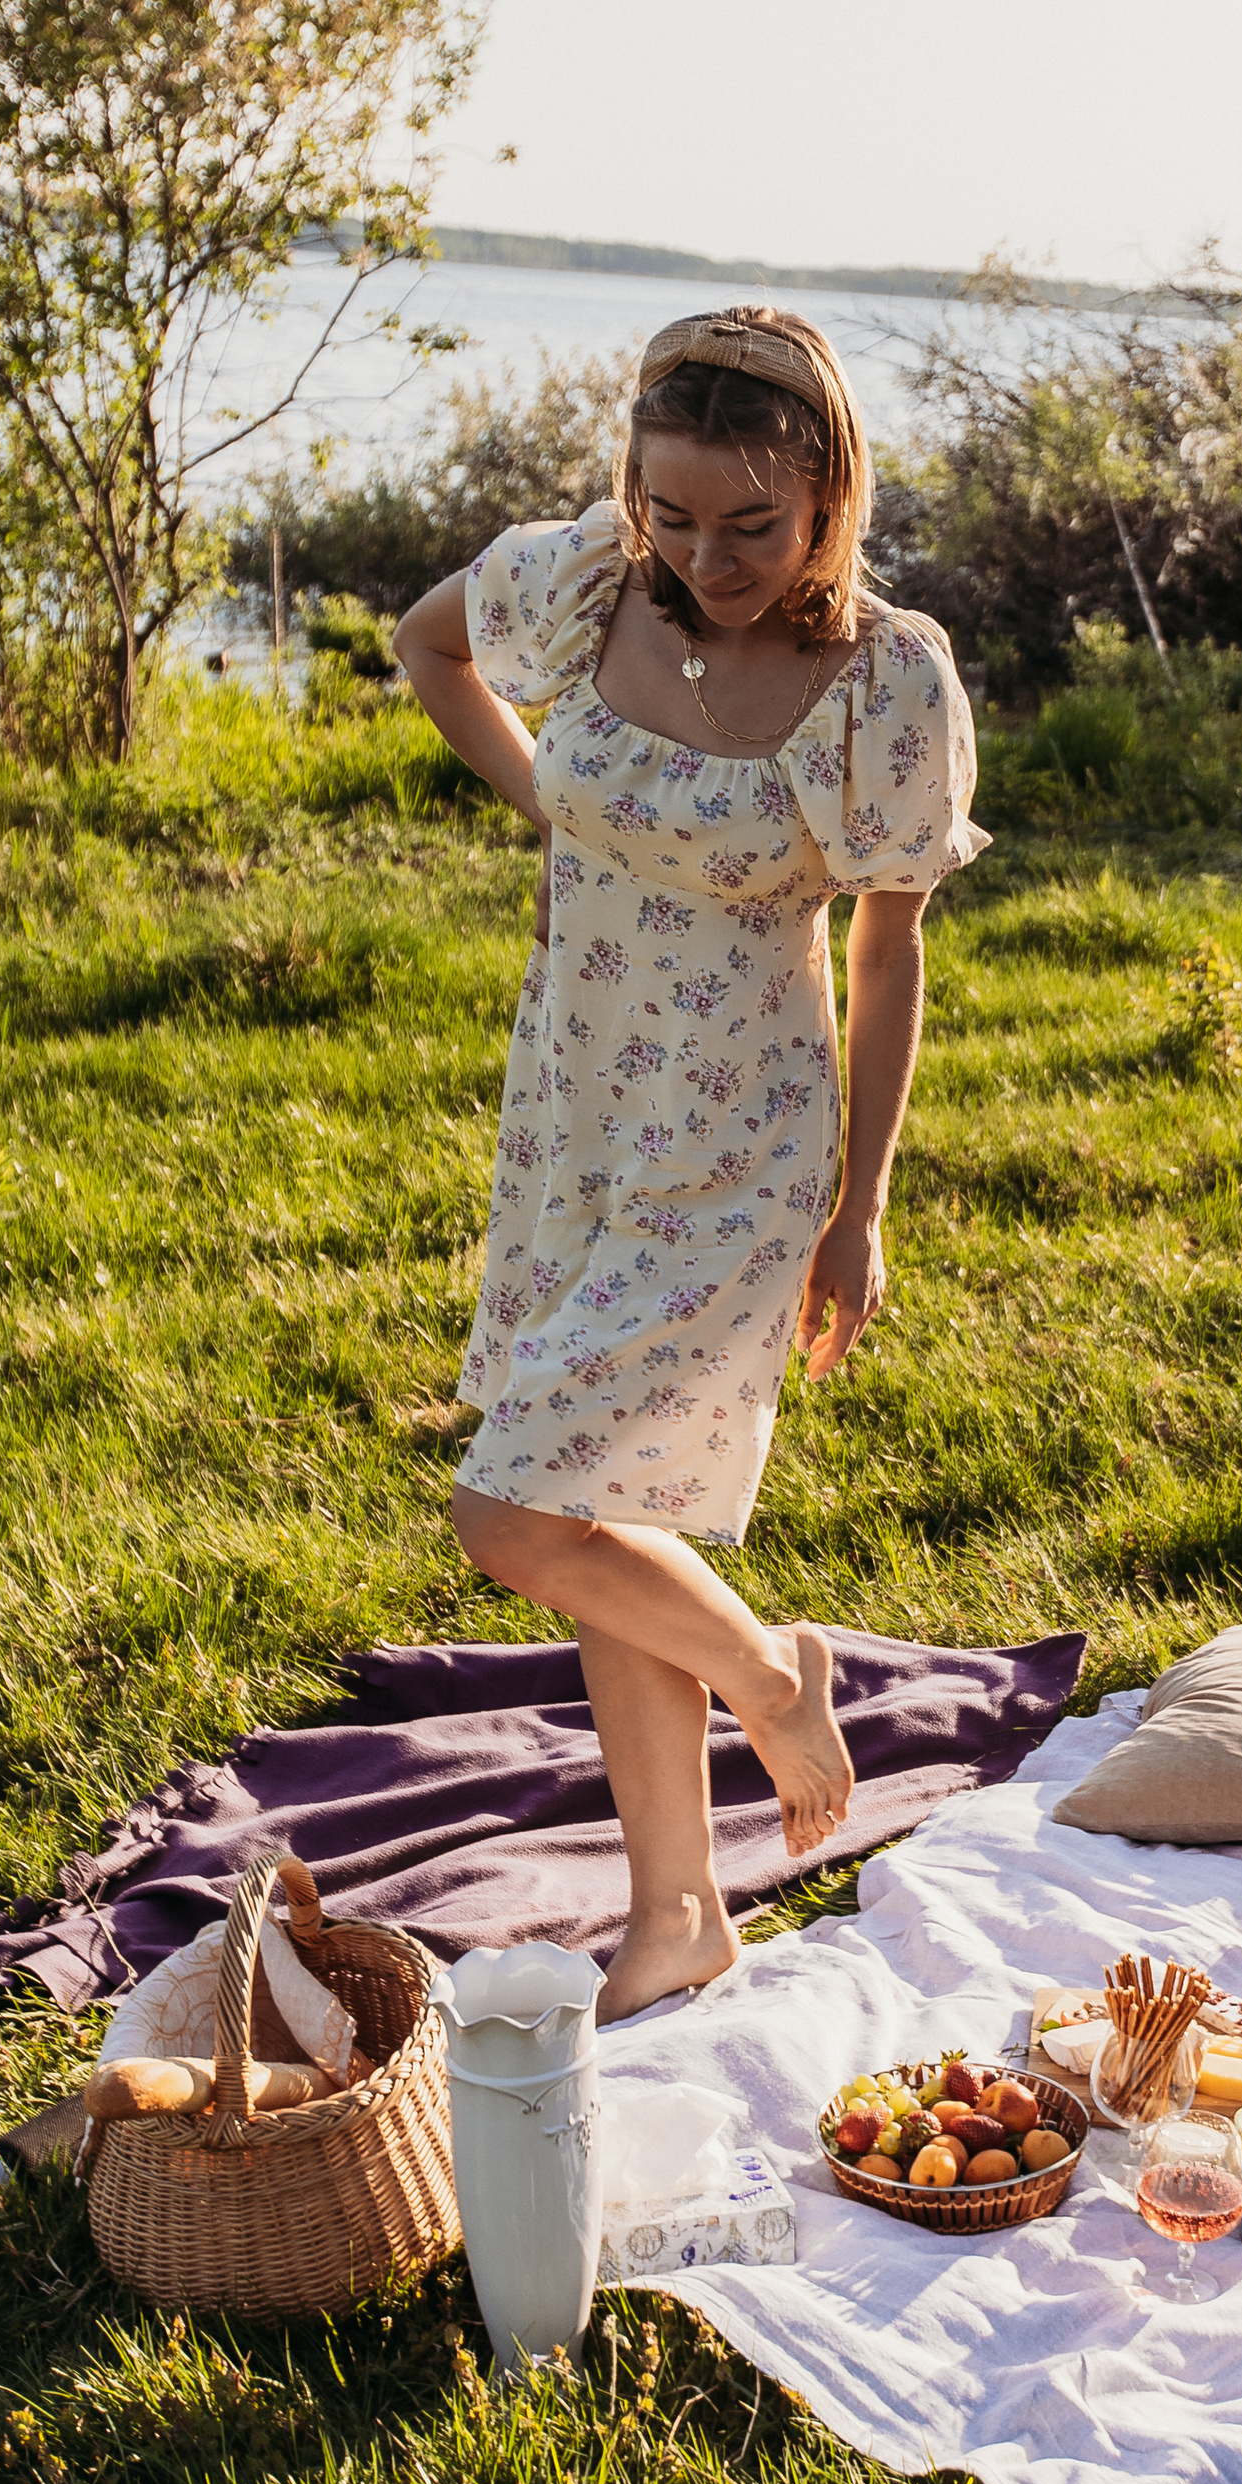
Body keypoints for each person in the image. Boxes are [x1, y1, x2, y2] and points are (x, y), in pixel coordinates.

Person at [392, 305, 988, 2017]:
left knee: (512, 1509)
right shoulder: (588, 581)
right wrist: (564, 809)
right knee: (610, 1500)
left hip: (736, 1139)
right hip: (573, 1113)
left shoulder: (887, 680)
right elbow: (430, 651)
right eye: (677, 515)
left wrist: (859, 1207)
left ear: (829, 497)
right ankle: (679, 1915)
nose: (709, 557)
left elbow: (889, 956)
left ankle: (772, 1677)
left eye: (755, 522)